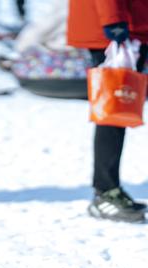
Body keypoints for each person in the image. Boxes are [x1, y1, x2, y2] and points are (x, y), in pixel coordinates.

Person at [67, 0, 148, 223]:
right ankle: (106, 192)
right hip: (119, 28)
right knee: (114, 108)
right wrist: (114, 20)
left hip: (129, 24)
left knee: (118, 107)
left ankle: (107, 190)